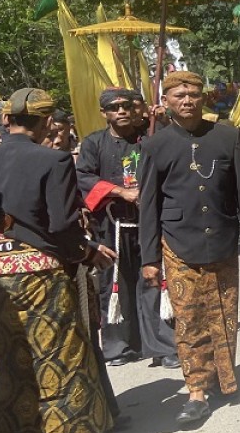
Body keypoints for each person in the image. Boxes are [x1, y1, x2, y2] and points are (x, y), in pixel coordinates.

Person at [0, 87, 118, 433]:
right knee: (60, 355)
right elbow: (63, 225)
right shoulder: (53, 160)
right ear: (47, 121)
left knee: (3, 363)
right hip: (40, 272)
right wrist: (84, 254)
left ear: (6, 120)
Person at [139, 71, 240, 426]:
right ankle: (196, 390)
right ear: (166, 101)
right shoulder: (154, 145)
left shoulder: (226, 136)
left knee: (225, 313)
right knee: (190, 318)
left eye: (193, 93)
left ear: (203, 97)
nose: (187, 100)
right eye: (179, 94)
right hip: (178, 243)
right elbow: (148, 206)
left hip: (222, 238)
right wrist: (149, 258)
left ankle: (225, 377)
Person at [76, 87, 178, 370]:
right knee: (115, 285)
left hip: (149, 224)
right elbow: (83, 176)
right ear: (104, 113)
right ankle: (121, 346)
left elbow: (172, 160)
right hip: (113, 225)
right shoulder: (93, 143)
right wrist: (121, 192)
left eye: (125, 106)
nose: (120, 111)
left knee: (154, 281)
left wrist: (166, 121)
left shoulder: (150, 137)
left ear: (135, 109)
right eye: (113, 107)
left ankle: (162, 346)